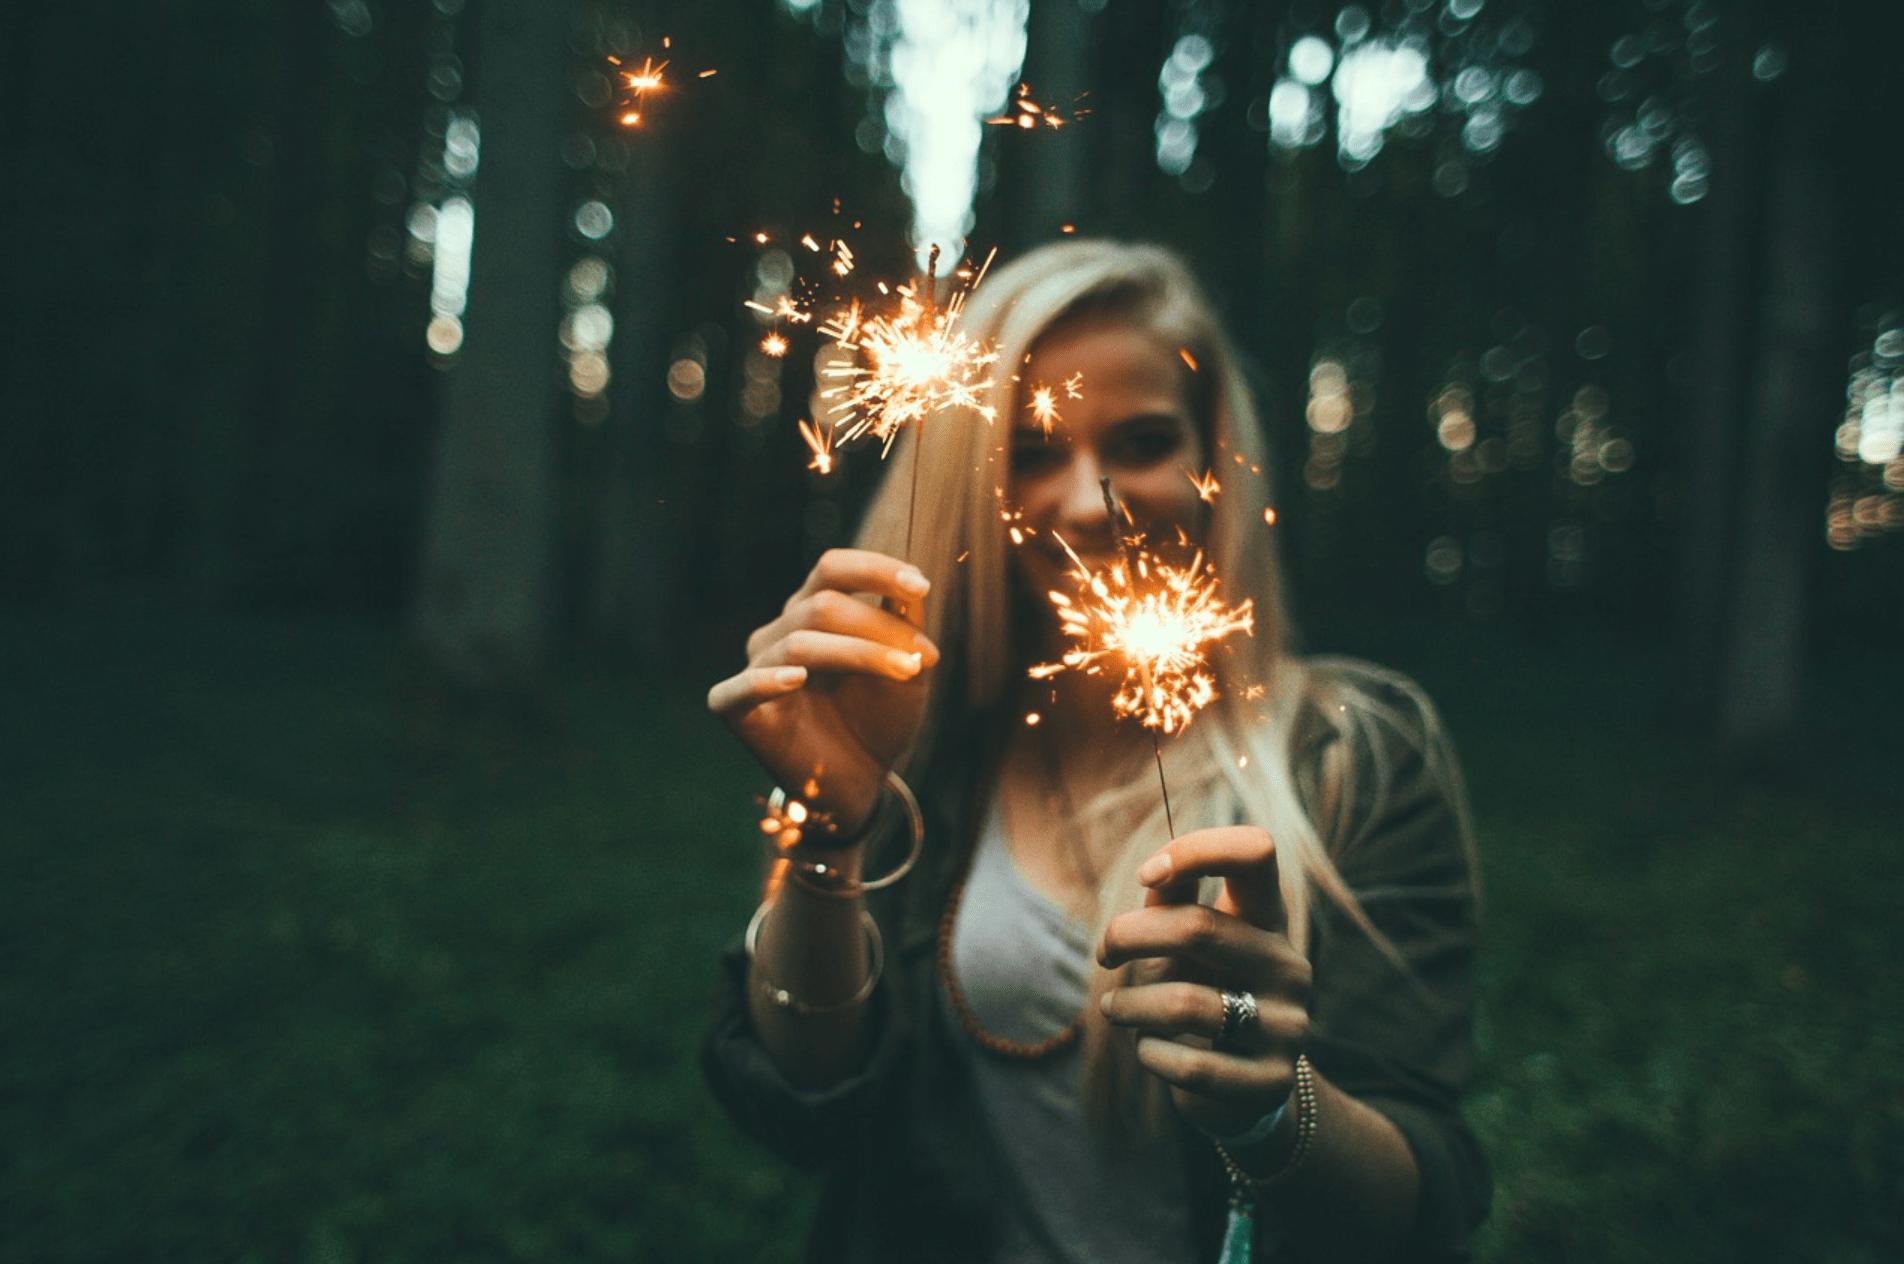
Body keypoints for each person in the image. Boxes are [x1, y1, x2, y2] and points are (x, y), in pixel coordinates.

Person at [703, 240, 1488, 1263]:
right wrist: (832, 821)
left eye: (1141, 440)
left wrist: (1272, 1105)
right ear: (968, 480)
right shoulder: (928, 748)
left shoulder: (1354, 754)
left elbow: (1428, 1190)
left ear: (1215, 461)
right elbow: (802, 1098)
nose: (1087, 501)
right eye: (1032, 451)